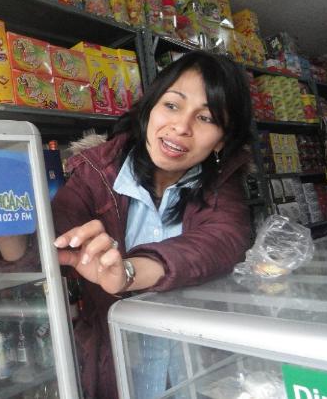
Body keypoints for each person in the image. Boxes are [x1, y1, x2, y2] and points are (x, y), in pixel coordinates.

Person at [51, 51, 254, 399]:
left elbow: (221, 240)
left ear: (221, 140)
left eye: (205, 117)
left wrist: (128, 271)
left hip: (198, 371)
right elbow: (47, 242)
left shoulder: (224, 184)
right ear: (149, 108)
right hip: (115, 370)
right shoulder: (94, 173)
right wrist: (6, 224)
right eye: (172, 105)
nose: (182, 127)